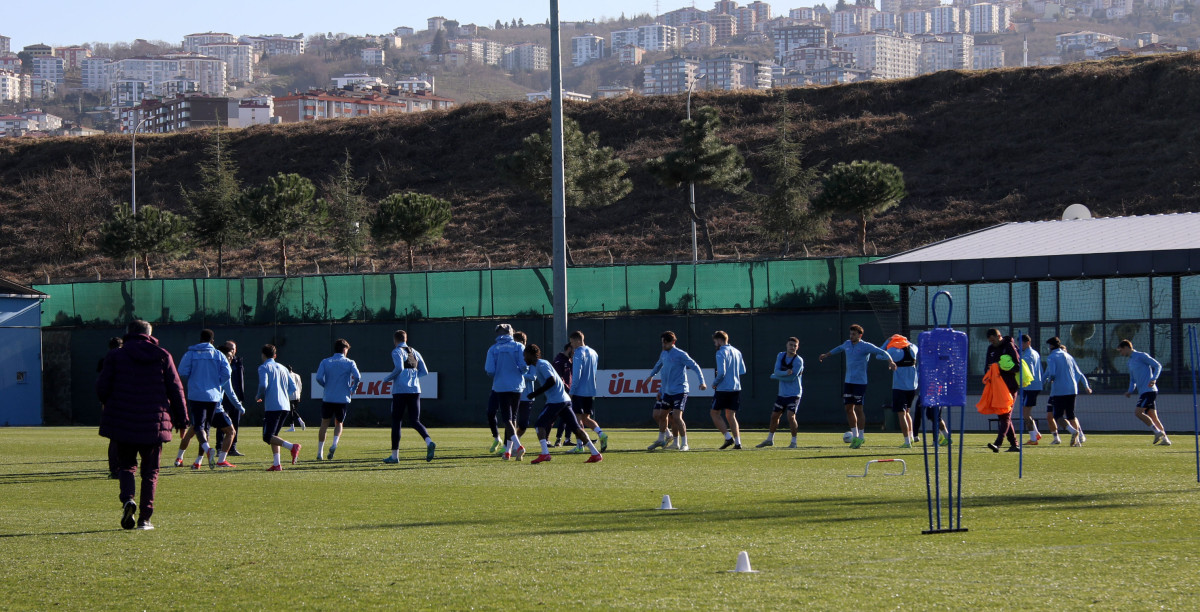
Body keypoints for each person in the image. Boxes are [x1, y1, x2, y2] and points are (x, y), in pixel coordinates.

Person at [97, 319, 188, 531]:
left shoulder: (115, 356)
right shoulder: (163, 355)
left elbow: (102, 387)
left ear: (128, 332)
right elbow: (176, 389)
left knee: (126, 466)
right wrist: (182, 420)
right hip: (154, 423)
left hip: (123, 421)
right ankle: (145, 519)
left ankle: (128, 499)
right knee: (150, 472)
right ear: (150, 334)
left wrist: (109, 402)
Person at [819, 324, 897, 449]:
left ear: (860, 335)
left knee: (858, 409)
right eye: (850, 334)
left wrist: (891, 361)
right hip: (848, 382)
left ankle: (861, 436)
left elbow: (881, 351)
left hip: (860, 382)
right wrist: (826, 355)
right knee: (848, 408)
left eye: (854, 334)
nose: (851, 336)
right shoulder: (847, 344)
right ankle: (855, 436)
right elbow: (838, 349)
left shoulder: (866, 346)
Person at [524, 344, 603, 464]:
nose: (524, 358)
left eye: (525, 356)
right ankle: (595, 453)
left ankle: (545, 454)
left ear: (531, 355)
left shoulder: (541, 364)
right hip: (564, 400)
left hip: (556, 400)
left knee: (539, 425)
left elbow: (552, 380)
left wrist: (535, 394)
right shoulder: (541, 364)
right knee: (576, 429)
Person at [175, 329, 239, 469]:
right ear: (212, 341)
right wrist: (217, 384)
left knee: (198, 426)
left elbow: (182, 372)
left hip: (197, 395)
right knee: (206, 427)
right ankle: (198, 459)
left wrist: (195, 378)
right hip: (213, 397)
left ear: (200, 339)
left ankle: (207, 449)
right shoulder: (218, 355)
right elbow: (227, 372)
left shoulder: (191, 353)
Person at [643, 331, 707, 451]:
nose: (663, 345)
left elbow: (695, 366)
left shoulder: (680, 354)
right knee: (662, 416)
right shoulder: (664, 353)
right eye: (662, 342)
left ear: (673, 342)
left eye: (665, 343)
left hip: (680, 390)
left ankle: (685, 444)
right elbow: (658, 365)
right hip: (667, 392)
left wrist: (702, 382)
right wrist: (651, 376)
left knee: (677, 417)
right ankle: (662, 440)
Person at [382, 330, 437, 463]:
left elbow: (399, 368)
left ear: (395, 340)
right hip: (415, 390)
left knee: (396, 421)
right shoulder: (415, 352)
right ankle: (429, 442)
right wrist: (413, 378)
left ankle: (395, 456)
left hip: (400, 391)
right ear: (405, 339)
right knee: (415, 420)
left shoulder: (396, 351)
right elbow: (425, 371)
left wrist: (387, 378)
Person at [485, 323, 528, 460]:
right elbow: (524, 366)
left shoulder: (493, 349)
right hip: (517, 386)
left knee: (507, 419)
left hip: (501, 386)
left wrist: (500, 373)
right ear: (511, 333)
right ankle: (508, 452)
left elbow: (490, 370)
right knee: (513, 418)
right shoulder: (519, 346)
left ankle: (519, 446)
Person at [314, 339, 362, 460]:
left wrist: (326, 385)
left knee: (324, 424)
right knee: (339, 423)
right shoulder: (349, 362)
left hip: (328, 397)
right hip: (342, 398)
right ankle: (334, 444)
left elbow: (319, 377)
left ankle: (320, 453)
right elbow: (357, 376)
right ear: (345, 349)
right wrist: (353, 388)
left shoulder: (325, 361)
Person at [257, 344, 302, 470]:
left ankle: (292, 447)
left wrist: (259, 395)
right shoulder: (283, 368)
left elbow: (263, 385)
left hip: (273, 406)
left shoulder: (264, 367)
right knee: (274, 435)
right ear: (275, 355)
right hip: (285, 405)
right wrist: (283, 394)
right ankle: (277, 464)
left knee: (267, 437)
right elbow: (293, 387)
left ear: (263, 355)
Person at [1118, 339, 1171, 446]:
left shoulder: (1141, 356)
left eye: (1121, 350)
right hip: (1143, 392)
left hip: (1149, 391)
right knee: (1153, 416)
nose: (1121, 353)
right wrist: (1130, 391)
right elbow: (1132, 380)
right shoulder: (1130, 362)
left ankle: (1157, 432)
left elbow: (1158, 366)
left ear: (1126, 347)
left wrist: (1154, 378)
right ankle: (1166, 440)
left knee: (1138, 413)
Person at [1043, 337, 1092, 446]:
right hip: (1073, 389)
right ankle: (1078, 441)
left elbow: (1052, 374)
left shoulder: (1052, 357)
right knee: (1070, 415)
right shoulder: (1069, 356)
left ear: (1051, 346)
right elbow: (1079, 373)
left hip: (1060, 390)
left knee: (1057, 416)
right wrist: (1086, 386)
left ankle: (1073, 431)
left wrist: (1047, 381)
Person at [757, 337, 803, 449]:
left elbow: (791, 378)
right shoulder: (780, 356)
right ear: (786, 345)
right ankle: (770, 439)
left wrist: (775, 377)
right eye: (790, 345)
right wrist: (784, 373)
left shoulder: (798, 360)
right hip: (782, 393)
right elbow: (776, 371)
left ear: (797, 347)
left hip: (794, 393)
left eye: (794, 346)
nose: (792, 347)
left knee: (790, 416)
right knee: (774, 416)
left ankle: (794, 442)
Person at [569, 330, 608, 453]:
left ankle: (580, 446)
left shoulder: (578, 353)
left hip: (579, 391)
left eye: (572, 342)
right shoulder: (593, 352)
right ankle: (601, 434)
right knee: (586, 418)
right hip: (591, 391)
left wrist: (571, 391)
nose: (571, 345)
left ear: (577, 340)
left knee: (577, 419)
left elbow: (577, 374)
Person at [877, 334, 919, 448]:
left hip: (899, 387)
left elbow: (878, 354)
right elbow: (913, 345)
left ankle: (907, 442)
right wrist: (906, 341)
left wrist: (887, 341)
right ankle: (911, 437)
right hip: (912, 387)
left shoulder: (892, 350)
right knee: (907, 412)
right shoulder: (913, 348)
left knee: (901, 414)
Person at [710, 331, 747, 450]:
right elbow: (742, 371)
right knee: (731, 416)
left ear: (720, 340)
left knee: (714, 413)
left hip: (723, 389)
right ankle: (738, 443)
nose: (715, 344)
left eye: (715, 342)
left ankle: (728, 437)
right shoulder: (737, 351)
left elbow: (721, 372)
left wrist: (714, 383)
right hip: (736, 388)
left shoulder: (720, 352)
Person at [978, 349, 1020, 453]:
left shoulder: (1010, 348)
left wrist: (1000, 367)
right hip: (998, 387)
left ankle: (998, 444)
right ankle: (1014, 444)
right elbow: (987, 367)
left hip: (1009, 388)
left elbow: (1017, 367)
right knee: (1004, 416)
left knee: (1005, 415)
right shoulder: (991, 349)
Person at [214, 340, 246, 456]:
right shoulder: (221, 363)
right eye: (229, 349)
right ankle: (219, 448)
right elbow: (228, 387)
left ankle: (232, 448)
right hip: (223, 399)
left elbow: (239, 382)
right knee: (223, 424)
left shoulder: (237, 362)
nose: (231, 351)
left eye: (233, 349)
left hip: (235, 398)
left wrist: (240, 398)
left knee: (234, 424)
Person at [99, 336, 123, 479]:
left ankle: (115, 469)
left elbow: (102, 383)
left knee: (115, 438)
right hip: (125, 402)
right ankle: (123, 467)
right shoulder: (128, 360)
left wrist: (104, 402)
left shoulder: (106, 361)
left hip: (112, 402)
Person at [1019, 334, 1044, 445]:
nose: (1020, 346)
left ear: (1028, 343)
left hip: (1030, 387)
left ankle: (1033, 439)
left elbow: (1031, 373)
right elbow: (1041, 370)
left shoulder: (1027, 356)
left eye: (1022, 343)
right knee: (1027, 412)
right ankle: (1036, 434)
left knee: (1025, 414)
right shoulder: (1035, 353)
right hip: (1035, 386)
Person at [550, 343, 575, 447]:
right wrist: (568, 390)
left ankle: (566, 439)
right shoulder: (559, 360)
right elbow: (558, 378)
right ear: (569, 349)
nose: (574, 353)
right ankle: (553, 439)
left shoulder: (570, 361)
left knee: (569, 416)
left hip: (569, 392)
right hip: (560, 393)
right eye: (573, 350)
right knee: (557, 416)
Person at [513, 331, 535, 440]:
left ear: (523, 342)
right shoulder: (512, 355)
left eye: (516, 341)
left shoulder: (530, 356)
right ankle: (508, 445)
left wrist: (519, 375)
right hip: (514, 393)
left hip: (527, 396)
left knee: (524, 423)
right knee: (511, 421)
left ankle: (515, 441)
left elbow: (533, 376)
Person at [284, 365, 306, 432]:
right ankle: (292, 427)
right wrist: (299, 395)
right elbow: (300, 386)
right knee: (292, 411)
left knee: (291, 411)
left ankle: (299, 420)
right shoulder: (297, 375)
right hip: (297, 396)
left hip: (290, 396)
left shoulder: (287, 376)